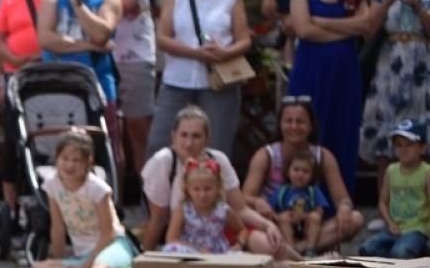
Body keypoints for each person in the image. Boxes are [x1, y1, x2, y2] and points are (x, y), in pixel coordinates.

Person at [147, 0, 252, 158]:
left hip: (218, 83)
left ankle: (214, 193)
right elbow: (162, 37)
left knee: (217, 150)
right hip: (178, 80)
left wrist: (224, 53)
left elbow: (244, 40)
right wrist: (195, 53)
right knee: (160, 146)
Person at [139, 106, 288, 258]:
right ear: (173, 136)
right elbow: (158, 219)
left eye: (196, 136)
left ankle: (304, 265)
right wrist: (145, 257)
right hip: (183, 241)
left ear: (207, 139)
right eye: (184, 135)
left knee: (271, 246)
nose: (189, 143)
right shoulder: (163, 161)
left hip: (219, 235)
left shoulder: (218, 160)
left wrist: (268, 225)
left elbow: (240, 209)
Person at [288, 0, 372, 195]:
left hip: (345, 71)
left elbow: (367, 25)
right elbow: (303, 29)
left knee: (343, 131)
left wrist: (323, 21)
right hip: (311, 70)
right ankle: (304, 197)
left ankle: (341, 201)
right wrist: (347, 30)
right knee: (308, 131)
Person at [80, 0, 153, 178]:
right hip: (96, 55)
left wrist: (93, 9)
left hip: (134, 53)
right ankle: (115, 199)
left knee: (138, 127)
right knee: (105, 132)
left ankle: (147, 197)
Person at [243, 95, 364, 253]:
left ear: (310, 126)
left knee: (356, 218)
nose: (294, 126)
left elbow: (342, 198)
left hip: (311, 225)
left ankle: (296, 250)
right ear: (280, 125)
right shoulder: (266, 155)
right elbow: (244, 197)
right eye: (288, 121)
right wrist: (258, 202)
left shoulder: (323, 156)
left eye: (300, 121)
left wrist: (344, 209)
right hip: (277, 222)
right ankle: (305, 251)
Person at [0, 0, 54, 213]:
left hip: (52, 76)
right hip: (17, 76)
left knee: (51, 135)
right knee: (16, 139)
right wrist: (15, 59)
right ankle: (11, 204)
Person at [37, 0, 121, 148]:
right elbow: (46, 40)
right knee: (61, 149)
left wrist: (77, 3)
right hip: (59, 87)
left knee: (107, 148)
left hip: (98, 87)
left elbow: (101, 34)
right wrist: (89, 45)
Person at [361, 0, 430, 188]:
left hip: (422, 63)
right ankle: (385, 202)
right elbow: (369, 28)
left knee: (422, 128)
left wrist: (419, 7)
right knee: (386, 134)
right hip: (390, 63)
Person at [29, 129, 135, 268]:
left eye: (76, 160)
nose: (70, 165)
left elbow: (108, 235)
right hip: (83, 254)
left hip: (112, 246)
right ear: (56, 158)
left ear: (88, 162)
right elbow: (57, 227)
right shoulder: (52, 185)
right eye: (65, 158)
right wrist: (60, 261)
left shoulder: (98, 189)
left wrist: (84, 267)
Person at [361, 119, 430, 258]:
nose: (403, 149)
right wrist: (390, 222)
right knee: (367, 249)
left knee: (400, 252)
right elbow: (383, 202)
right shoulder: (391, 171)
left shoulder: (426, 172)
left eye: (409, 145)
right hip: (394, 228)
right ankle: (412, 255)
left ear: (422, 147)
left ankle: (417, 249)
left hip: (417, 229)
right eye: (398, 145)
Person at [162, 157, 247, 255]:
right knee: (171, 248)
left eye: (207, 189)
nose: (202, 195)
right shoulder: (183, 210)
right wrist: (197, 250)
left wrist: (239, 244)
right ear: (188, 190)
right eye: (196, 189)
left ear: (218, 188)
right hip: (191, 251)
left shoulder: (223, 210)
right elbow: (171, 238)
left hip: (218, 252)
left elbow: (242, 230)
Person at [273, 148, 329, 256]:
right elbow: (272, 211)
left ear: (312, 175)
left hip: (307, 226)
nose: (300, 174)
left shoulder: (313, 191)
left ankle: (310, 248)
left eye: (305, 171)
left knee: (315, 217)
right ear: (288, 172)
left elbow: (320, 211)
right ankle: (291, 249)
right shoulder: (282, 191)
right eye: (296, 170)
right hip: (288, 227)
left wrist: (304, 216)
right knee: (283, 217)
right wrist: (284, 216)